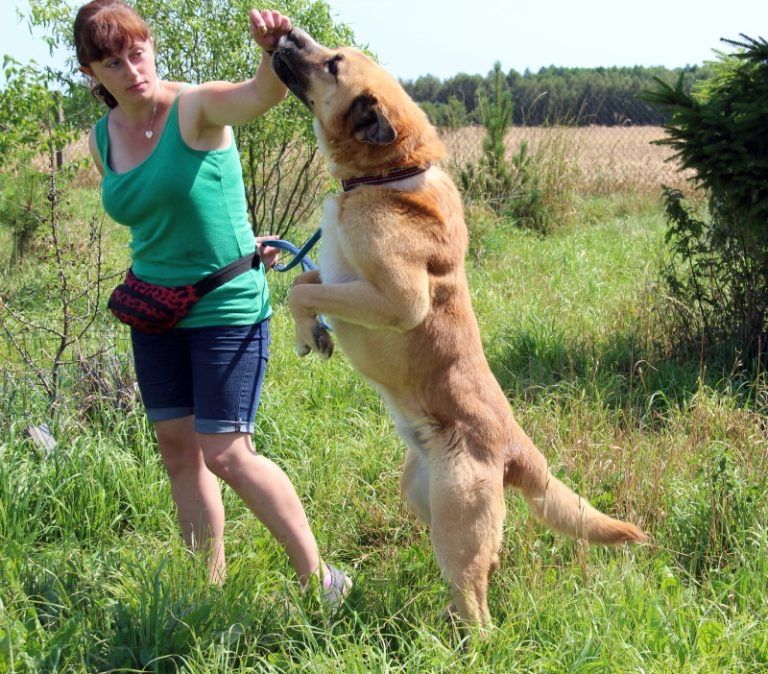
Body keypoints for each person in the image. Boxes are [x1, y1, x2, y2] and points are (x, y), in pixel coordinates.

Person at [73, 0, 350, 600]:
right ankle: (209, 587)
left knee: (226, 451)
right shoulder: (101, 139)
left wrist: (270, 48)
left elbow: (260, 95)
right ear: (92, 73)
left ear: (150, 48)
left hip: (224, 307)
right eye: (111, 61)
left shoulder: (194, 109)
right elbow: (158, 216)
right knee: (179, 452)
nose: (131, 68)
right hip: (155, 313)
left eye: (136, 51)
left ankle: (322, 580)